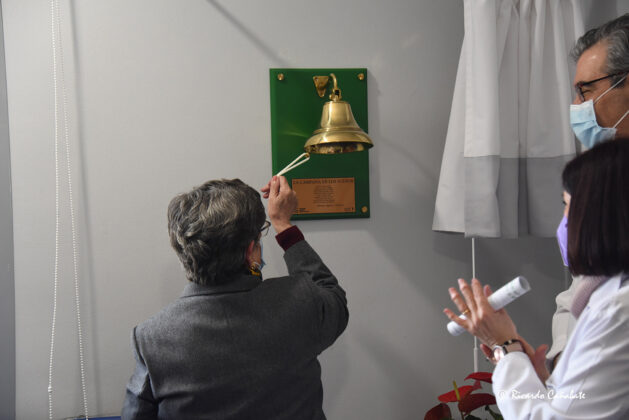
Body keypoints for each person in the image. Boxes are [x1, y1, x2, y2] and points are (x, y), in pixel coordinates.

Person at [122, 176, 349, 420]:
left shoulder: (151, 338)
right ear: (250, 251)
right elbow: (330, 292)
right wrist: (282, 224)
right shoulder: (300, 302)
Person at [444, 139, 629, 419]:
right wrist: (544, 381)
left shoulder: (617, 312)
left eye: (567, 205)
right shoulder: (608, 295)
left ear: (599, 215)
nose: (564, 221)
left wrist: (505, 347)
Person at [549, 12, 629, 367]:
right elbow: (579, 288)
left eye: (586, 90)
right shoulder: (599, 176)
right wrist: (561, 357)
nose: (577, 107)